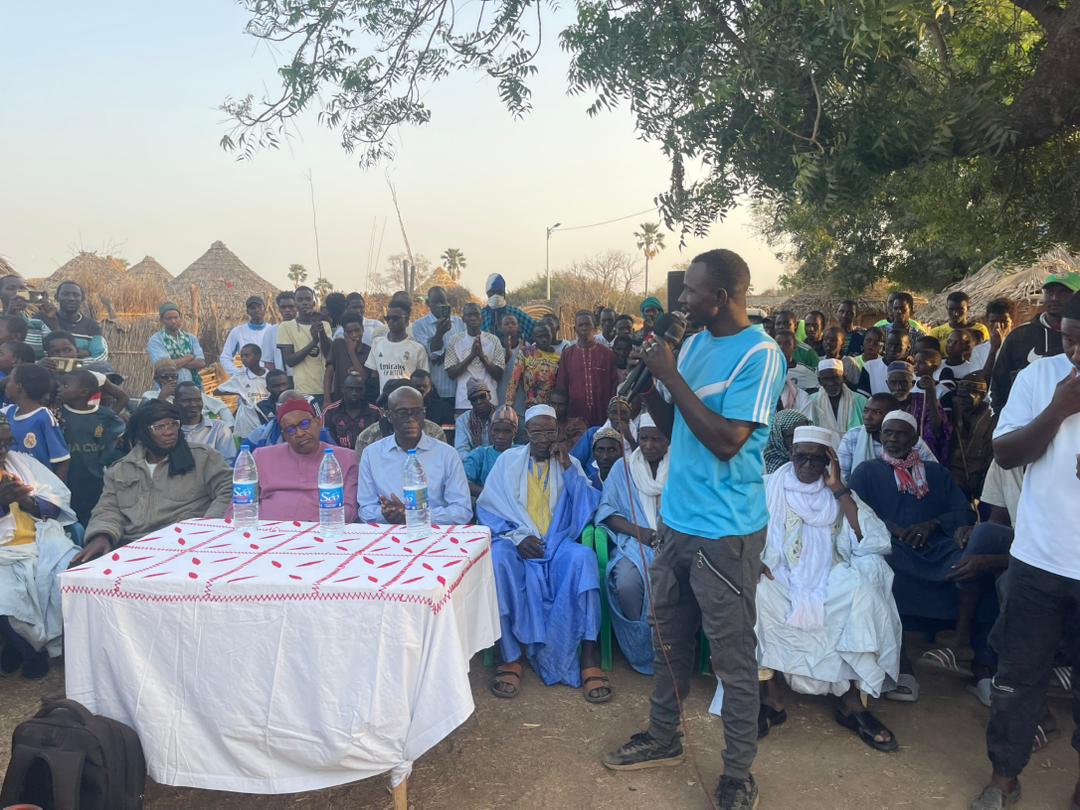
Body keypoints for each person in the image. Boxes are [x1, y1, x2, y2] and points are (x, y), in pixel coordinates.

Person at [604, 249, 785, 810]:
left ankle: (737, 774)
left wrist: (670, 373)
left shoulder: (761, 354)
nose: (682, 302)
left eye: (691, 292)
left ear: (723, 298)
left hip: (725, 534)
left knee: (733, 658)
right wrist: (647, 392)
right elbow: (679, 422)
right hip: (676, 524)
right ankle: (664, 736)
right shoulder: (699, 342)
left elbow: (728, 440)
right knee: (669, 641)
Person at [969, 293, 1080, 810]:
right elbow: (1006, 452)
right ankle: (1004, 777)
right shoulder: (1040, 379)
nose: (1073, 351)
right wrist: (1059, 408)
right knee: (1017, 678)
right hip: (1038, 558)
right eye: (1067, 338)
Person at [755, 426, 901, 751]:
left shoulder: (838, 494)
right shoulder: (769, 487)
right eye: (800, 457)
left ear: (829, 460)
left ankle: (852, 703)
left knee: (863, 591)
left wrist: (837, 488)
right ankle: (771, 698)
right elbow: (744, 526)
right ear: (789, 455)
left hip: (830, 574)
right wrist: (752, 556)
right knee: (757, 592)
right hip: (780, 572)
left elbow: (871, 538)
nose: (808, 464)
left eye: (816, 459)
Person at [478, 404, 607, 701]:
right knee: (498, 560)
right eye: (537, 431)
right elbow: (487, 509)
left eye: (550, 431)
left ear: (558, 433)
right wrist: (517, 537)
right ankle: (510, 656)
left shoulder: (570, 463)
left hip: (558, 545)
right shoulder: (507, 462)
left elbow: (588, 506)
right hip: (517, 543)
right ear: (526, 433)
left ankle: (589, 654)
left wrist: (566, 468)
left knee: (584, 559)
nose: (543, 438)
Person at [849, 411, 977, 703]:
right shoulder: (867, 471)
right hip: (890, 546)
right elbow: (855, 512)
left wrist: (932, 525)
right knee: (881, 571)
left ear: (915, 438)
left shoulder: (936, 473)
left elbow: (963, 511)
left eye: (901, 433)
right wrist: (894, 529)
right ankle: (901, 667)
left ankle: (975, 658)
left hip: (934, 547)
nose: (893, 439)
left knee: (971, 565)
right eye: (888, 433)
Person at [72, 400, 233, 563]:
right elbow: (108, 508)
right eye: (159, 427)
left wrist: (205, 529)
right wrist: (102, 535)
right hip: (133, 545)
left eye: (173, 425)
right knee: (78, 567)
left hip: (185, 544)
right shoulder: (121, 469)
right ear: (144, 433)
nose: (169, 432)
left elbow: (228, 490)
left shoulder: (202, 457)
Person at [0, 412, 78, 680]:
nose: (3, 451)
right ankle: (30, 652)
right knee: (6, 598)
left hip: (40, 540)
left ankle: (31, 647)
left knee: (71, 570)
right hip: (3, 553)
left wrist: (30, 503)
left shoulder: (20, 462)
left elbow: (57, 499)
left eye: (6, 443)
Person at [596, 412, 669, 675]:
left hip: (675, 545)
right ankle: (640, 650)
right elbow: (607, 511)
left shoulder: (680, 469)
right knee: (627, 583)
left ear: (667, 441)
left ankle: (673, 649)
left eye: (656, 439)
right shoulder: (623, 467)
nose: (649, 445)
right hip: (634, 543)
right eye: (644, 438)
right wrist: (641, 533)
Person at [357, 385, 471, 524]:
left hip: (434, 535)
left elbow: (462, 511)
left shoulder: (447, 454)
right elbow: (365, 510)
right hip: (388, 535)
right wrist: (387, 513)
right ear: (389, 416)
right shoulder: (371, 454)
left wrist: (417, 515)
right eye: (403, 413)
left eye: (417, 412)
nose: (411, 419)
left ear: (424, 414)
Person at [249, 398, 359, 522]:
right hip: (266, 534)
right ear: (284, 436)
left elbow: (350, 509)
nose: (300, 433)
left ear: (318, 423)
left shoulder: (345, 458)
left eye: (304, 424)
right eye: (290, 430)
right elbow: (241, 503)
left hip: (323, 533)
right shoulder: (261, 457)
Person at [990, 271, 1079, 409]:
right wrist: (1003, 420)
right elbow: (998, 385)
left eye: (1064, 292)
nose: (1054, 298)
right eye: (1049, 292)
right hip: (1026, 425)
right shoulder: (1019, 336)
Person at [56, 369, 125, 527]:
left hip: (94, 480)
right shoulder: (58, 414)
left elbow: (114, 436)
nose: (59, 388)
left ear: (83, 392)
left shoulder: (104, 416)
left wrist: (103, 458)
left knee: (91, 517)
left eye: (65, 385)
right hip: (66, 479)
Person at [837, 392, 937, 482]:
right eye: (866, 411)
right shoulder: (853, 436)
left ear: (893, 414)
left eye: (877, 412)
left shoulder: (911, 441)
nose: (867, 417)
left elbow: (934, 471)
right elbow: (843, 475)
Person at [2, 364, 69, 480]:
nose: (6, 385)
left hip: (39, 487)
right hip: (12, 485)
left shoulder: (43, 417)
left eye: (10, 381)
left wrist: (57, 491)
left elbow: (62, 459)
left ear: (19, 387)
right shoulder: (8, 412)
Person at [554, 311, 620, 427]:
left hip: (603, 413)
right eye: (581, 325)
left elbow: (614, 385)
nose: (584, 328)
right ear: (575, 329)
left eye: (587, 324)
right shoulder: (568, 354)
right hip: (575, 414)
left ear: (594, 327)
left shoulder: (607, 354)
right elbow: (562, 385)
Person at [354, 379, 447, 459]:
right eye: (401, 411)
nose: (409, 417)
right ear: (387, 412)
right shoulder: (367, 438)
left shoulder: (434, 433)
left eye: (414, 410)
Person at [411, 286, 466, 413]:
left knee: (452, 428)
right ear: (428, 304)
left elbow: (463, 351)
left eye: (444, 301)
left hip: (458, 389)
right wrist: (439, 334)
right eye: (436, 302)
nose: (441, 305)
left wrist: (444, 354)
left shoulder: (458, 322)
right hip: (435, 389)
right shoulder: (420, 325)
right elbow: (431, 355)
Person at [445, 302, 506, 410]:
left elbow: (498, 375)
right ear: (463, 319)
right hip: (464, 402)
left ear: (481, 317)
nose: (473, 318)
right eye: (469, 315)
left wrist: (482, 357)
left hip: (489, 401)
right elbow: (451, 374)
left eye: (476, 315)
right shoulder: (454, 341)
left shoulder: (494, 340)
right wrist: (472, 356)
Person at [886, 360, 951, 462]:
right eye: (893, 383)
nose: (898, 388)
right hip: (889, 457)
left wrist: (931, 393)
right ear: (887, 384)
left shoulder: (925, 401)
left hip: (921, 457)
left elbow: (937, 430)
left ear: (912, 384)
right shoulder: (883, 402)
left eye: (904, 383)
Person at [276, 286, 332, 403]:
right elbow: (290, 361)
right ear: (295, 304)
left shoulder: (324, 325)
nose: (304, 303)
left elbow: (329, 355)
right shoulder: (286, 327)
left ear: (313, 302)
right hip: (303, 390)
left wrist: (319, 327)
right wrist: (314, 342)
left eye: (307, 299)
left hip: (327, 388)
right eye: (300, 300)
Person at [948, 373, 995, 501]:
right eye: (960, 396)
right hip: (956, 471)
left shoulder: (992, 416)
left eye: (967, 397)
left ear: (982, 396)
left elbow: (993, 451)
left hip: (981, 473)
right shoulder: (953, 410)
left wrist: (981, 474)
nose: (962, 401)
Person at [364, 303, 429, 393]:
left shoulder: (417, 348)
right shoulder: (377, 343)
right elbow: (374, 375)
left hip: (408, 401)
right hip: (385, 401)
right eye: (388, 318)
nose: (390, 321)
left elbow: (423, 379)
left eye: (395, 318)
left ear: (406, 321)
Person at [214, 343, 269, 440]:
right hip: (246, 425)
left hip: (266, 421)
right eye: (241, 356)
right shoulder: (240, 377)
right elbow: (217, 391)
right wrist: (239, 392)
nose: (243, 359)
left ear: (258, 356)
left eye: (247, 355)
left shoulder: (269, 375)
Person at [463, 405, 518, 497]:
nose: (500, 436)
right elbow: (463, 482)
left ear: (515, 433)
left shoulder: (522, 453)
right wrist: (491, 496)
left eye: (507, 431)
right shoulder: (480, 454)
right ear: (490, 431)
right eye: (496, 430)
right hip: (487, 505)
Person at [504, 321, 561, 411]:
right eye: (540, 336)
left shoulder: (558, 357)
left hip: (551, 408)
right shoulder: (526, 353)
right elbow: (514, 381)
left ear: (552, 335)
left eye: (546, 335)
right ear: (534, 337)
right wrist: (508, 406)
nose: (544, 339)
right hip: (531, 407)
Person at [146, 303, 205, 388]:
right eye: (169, 318)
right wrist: (188, 358)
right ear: (161, 320)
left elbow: (201, 363)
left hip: (194, 387)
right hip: (169, 389)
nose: (173, 321)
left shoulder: (191, 338)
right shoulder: (156, 340)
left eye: (176, 317)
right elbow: (165, 367)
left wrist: (176, 363)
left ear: (180, 318)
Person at [175, 381, 236, 463]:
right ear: (175, 402)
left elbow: (227, 463)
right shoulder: (169, 430)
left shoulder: (219, 429)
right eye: (186, 400)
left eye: (198, 400)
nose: (193, 404)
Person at [808, 358, 867, 439]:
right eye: (825, 379)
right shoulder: (812, 401)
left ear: (844, 378)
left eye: (835, 378)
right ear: (820, 381)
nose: (831, 383)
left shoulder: (860, 400)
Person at [321, 372, 380, 450]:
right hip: (338, 456)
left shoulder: (375, 412)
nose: (354, 393)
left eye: (358, 389)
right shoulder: (330, 412)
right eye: (350, 389)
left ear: (364, 390)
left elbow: (381, 441)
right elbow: (324, 441)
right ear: (343, 389)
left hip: (368, 457)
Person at [323, 311, 372, 404]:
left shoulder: (368, 351)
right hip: (338, 401)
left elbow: (364, 378)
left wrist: (351, 352)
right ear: (344, 332)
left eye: (357, 330)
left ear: (363, 329)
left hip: (361, 403)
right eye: (349, 332)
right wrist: (327, 399)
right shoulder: (337, 345)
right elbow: (329, 373)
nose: (354, 335)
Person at [219, 295, 277, 374]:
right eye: (252, 308)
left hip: (270, 377)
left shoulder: (273, 330)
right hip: (248, 379)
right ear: (247, 311)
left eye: (259, 307)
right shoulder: (238, 331)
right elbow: (225, 357)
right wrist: (238, 373)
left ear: (265, 309)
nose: (256, 310)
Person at [54, 281, 108, 365]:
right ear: (56, 297)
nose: (71, 298)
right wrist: (83, 353)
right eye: (66, 294)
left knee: (105, 367)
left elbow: (100, 357)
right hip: (50, 371)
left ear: (82, 299)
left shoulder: (92, 326)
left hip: (83, 373)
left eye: (76, 295)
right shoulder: (46, 321)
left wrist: (74, 364)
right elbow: (41, 354)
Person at [0, 276, 53, 358]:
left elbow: (56, 348)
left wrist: (51, 318)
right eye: (11, 288)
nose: (18, 292)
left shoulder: (38, 324)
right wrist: (10, 315)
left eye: (22, 288)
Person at [481, 274, 535, 342]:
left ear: (504, 293)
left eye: (499, 292)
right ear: (487, 294)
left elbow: (536, 330)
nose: (496, 295)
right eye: (492, 292)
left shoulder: (516, 313)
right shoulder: (481, 315)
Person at [857, 329, 911, 396]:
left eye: (898, 346)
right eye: (890, 345)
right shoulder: (869, 367)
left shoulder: (913, 371)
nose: (892, 349)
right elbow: (863, 399)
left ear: (908, 348)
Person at [971, 297, 1015, 378]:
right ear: (987, 322)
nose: (998, 327)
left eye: (1003, 322)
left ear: (1012, 323)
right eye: (993, 321)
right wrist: (993, 349)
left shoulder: (1019, 348)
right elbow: (980, 380)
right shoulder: (978, 351)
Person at [454, 378, 496, 459]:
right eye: (474, 399)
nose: (479, 401)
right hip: (474, 463)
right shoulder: (462, 420)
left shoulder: (501, 416)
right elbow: (461, 451)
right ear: (470, 402)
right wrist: (478, 460)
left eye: (482, 396)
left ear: (489, 396)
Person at [764, 409, 813, 474]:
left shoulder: (814, 464)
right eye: (792, 436)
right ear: (778, 438)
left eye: (803, 434)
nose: (799, 440)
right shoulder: (760, 467)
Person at [775, 329, 818, 394]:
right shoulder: (767, 369)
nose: (781, 347)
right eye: (778, 343)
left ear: (794, 347)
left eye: (787, 344)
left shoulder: (804, 371)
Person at [270, 290, 297, 372]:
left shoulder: (305, 328)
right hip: (282, 381)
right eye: (283, 307)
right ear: (279, 309)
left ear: (297, 307)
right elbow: (269, 362)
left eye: (291, 306)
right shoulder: (271, 331)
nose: (287, 310)